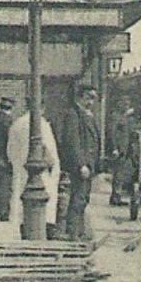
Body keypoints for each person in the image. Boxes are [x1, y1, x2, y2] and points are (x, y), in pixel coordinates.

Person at [54, 83, 102, 242]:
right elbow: (72, 142)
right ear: (79, 97)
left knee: (83, 199)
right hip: (81, 167)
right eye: (88, 98)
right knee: (77, 199)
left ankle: (79, 233)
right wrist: (80, 164)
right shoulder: (73, 115)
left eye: (94, 98)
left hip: (89, 166)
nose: (91, 102)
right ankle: (73, 234)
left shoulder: (87, 115)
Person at [6, 105, 60, 236]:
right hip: (42, 174)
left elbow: (10, 151)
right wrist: (53, 166)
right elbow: (49, 151)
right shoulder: (42, 125)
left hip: (20, 171)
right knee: (45, 207)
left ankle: (25, 231)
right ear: (41, 108)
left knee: (21, 207)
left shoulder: (17, 124)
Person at [109, 103, 138, 206]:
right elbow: (112, 133)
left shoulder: (127, 118)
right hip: (120, 149)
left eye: (128, 104)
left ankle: (117, 196)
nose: (126, 106)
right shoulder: (116, 117)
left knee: (123, 172)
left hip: (126, 150)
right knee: (118, 173)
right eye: (124, 104)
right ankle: (115, 197)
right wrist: (114, 148)